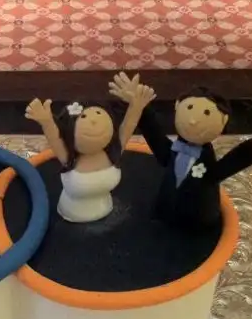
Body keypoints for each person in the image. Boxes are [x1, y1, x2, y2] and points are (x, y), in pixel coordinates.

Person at [108, 73, 252, 230]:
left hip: (199, 221)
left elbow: (228, 165)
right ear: (177, 105)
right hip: (164, 215)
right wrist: (138, 107)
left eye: (207, 113)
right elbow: (154, 134)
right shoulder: (172, 151)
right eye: (189, 108)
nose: (193, 121)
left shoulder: (207, 162)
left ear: (224, 121)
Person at [25, 74, 156, 222]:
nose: (94, 121)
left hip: (106, 208)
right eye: (84, 117)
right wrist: (46, 121)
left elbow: (128, 125)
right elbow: (55, 138)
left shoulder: (113, 151)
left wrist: (136, 105)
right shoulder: (68, 158)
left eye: (98, 113)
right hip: (73, 214)